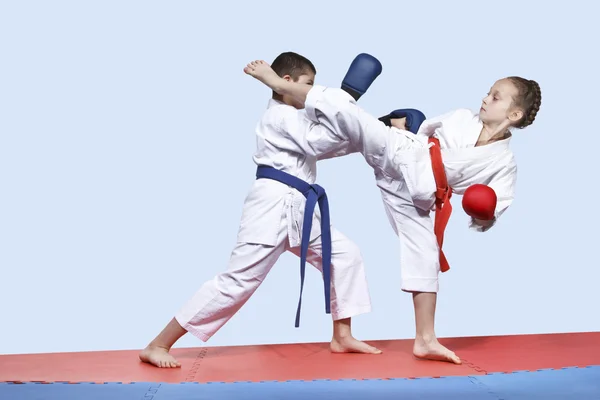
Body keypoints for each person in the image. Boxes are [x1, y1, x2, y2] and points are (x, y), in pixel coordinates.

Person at [243, 59, 542, 364]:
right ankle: (282, 85)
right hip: (399, 152)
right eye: (488, 92)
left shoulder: (503, 164)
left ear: (514, 114)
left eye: (495, 97)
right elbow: (422, 128)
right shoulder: (463, 118)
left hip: (419, 192)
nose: (485, 98)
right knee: (352, 117)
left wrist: (482, 211)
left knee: (425, 255)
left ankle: (425, 340)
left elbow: (492, 210)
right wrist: (400, 123)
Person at [139, 52, 381, 369]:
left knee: (344, 256)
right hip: (273, 207)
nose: (310, 91)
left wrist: (372, 125)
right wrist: (349, 104)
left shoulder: (299, 118)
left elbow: (334, 142)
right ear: (286, 83)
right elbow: (323, 143)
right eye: (308, 84)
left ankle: (342, 335)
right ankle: (158, 344)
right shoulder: (281, 117)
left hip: (299, 209)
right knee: (237, 282)